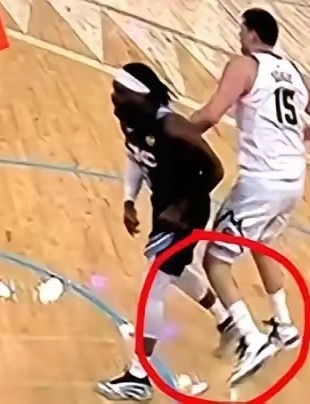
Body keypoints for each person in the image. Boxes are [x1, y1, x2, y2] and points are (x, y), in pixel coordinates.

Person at [190, 7, 310, 386]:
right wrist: (292, 137)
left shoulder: (244, 65)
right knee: (262, 244)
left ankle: (251, 339)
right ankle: (284, 326)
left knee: (214, 260)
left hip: (261, 183)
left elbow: (211, 114)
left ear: (252, 33)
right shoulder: (298, 73)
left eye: (242, 30)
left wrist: (176, 135)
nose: (239, 36)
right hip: (293, 181)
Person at [95, 62, 233, 401]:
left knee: (152, 290)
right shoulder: (132, 121)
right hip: (163, 210)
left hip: (186, 213)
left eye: (122, 92)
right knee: (175, 270)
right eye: (115, 91)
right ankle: (226, 320)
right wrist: (129, 200)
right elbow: (135, 158)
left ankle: (139, 377)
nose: (115, 97)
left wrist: (181, 208)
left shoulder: (172, 127)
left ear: (142, 96)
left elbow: (215, 170)